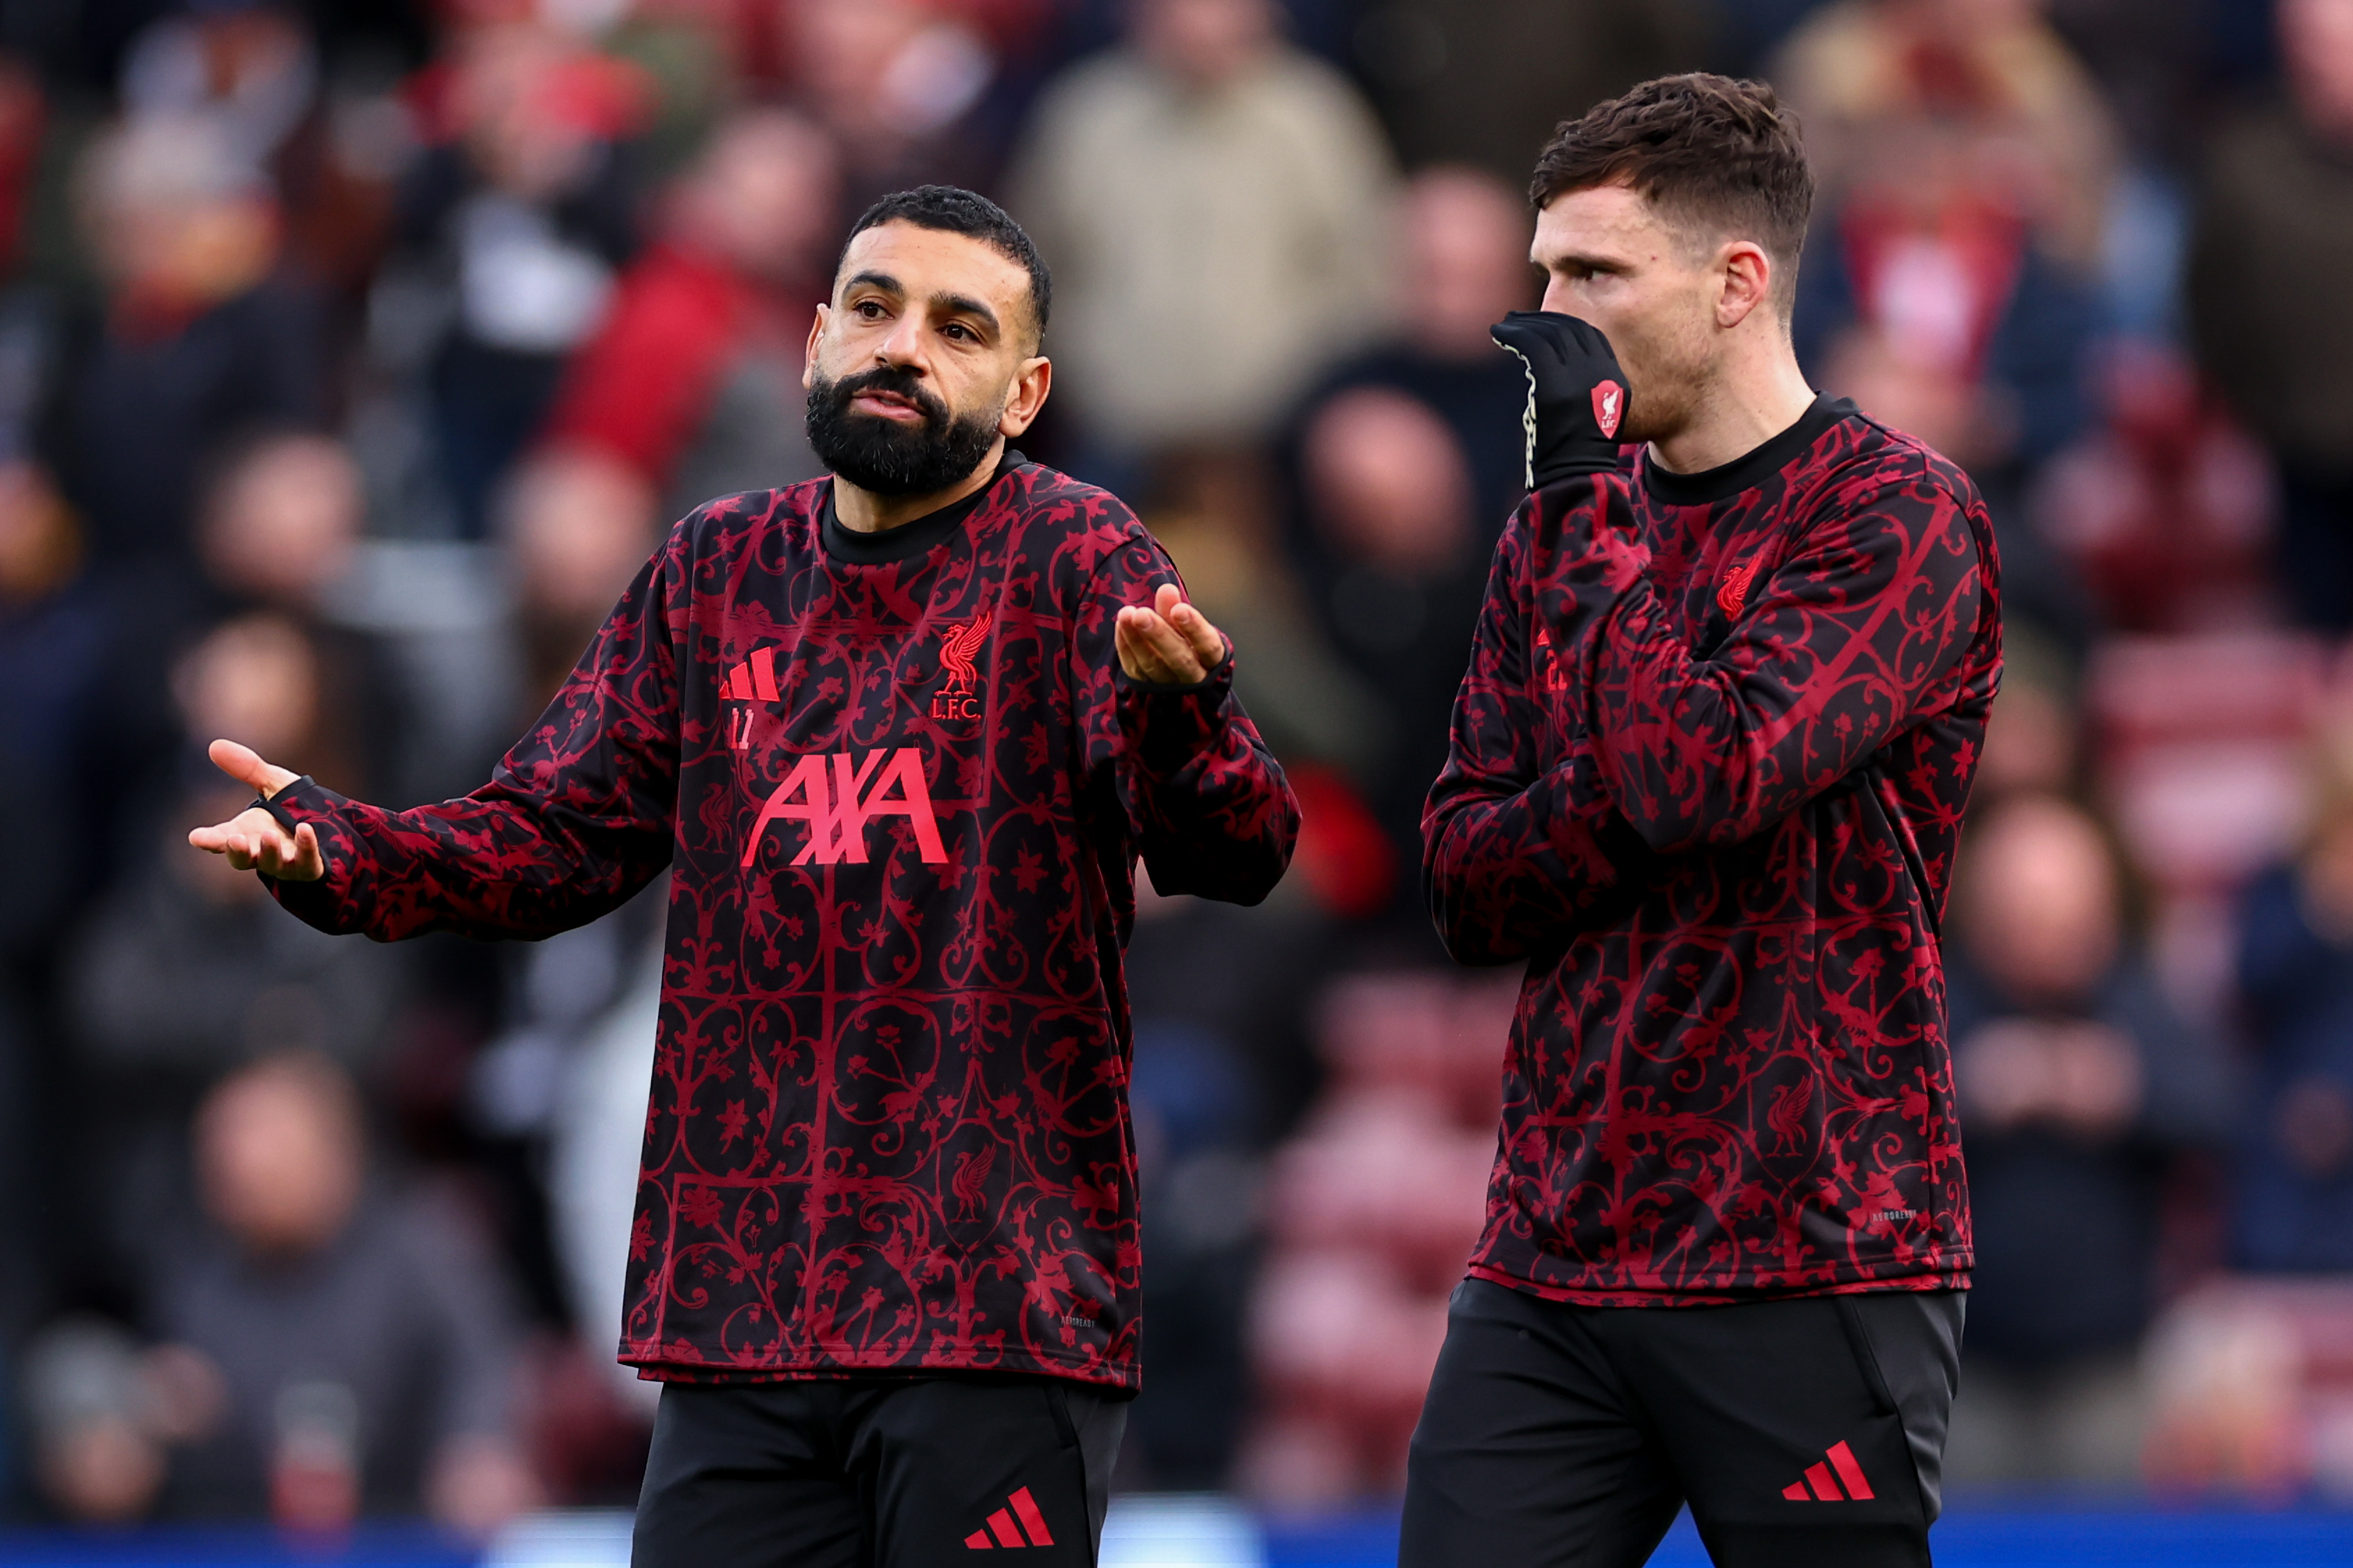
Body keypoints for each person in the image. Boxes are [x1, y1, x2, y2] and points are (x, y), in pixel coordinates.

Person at [188, 184, 1298, 1565]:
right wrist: (347, 854)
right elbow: (553, 834)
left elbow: (1240, 849)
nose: (904, 348)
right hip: (743, 1311)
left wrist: (1181, 719)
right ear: (815, 340)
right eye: (877, 310)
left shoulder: (1077, 560)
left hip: (991, 1305)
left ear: (1026, 395)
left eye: (960, 329)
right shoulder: (716, 568)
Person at [1408, 76, 2002, 1566]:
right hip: (1559, 1241)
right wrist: (1628, 773)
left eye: (1594, 274)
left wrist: (1580, 513)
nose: (1545, 314)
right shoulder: (1562, 524)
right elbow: (1466, 884)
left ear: (1739, 283)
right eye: (1541, 270)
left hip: (1812, 1244)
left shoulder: (1895, 514)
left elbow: (1705, 775)